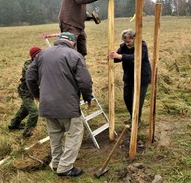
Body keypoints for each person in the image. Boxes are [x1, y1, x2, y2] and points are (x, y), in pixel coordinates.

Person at [26, 32, 92, 178]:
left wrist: (37, 94)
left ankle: (56, 163)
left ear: (58, 40)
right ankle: (65, 167)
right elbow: (85, 81)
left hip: (47, 105)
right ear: (72, 43)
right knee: (74, 134)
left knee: (55, 136)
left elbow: (29, 77)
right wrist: (88, 97)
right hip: (67, 106)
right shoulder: (75, 56)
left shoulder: (41, 55)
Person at [107, 29, 151, 125]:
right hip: (129, 77)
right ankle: (132, 117)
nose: (127, 44)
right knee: (127, 98)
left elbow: (136, 58)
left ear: (134, 38)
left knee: (137, 100)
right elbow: (117, 58)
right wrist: (111, 57)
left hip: (141, 77)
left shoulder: (142, 45)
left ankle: (137, 121)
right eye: (125, 42)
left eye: (129, 41)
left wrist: (120, 56)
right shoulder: (123, 46)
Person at [8, 46, 42, 138]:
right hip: (25, 91)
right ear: (33, 56)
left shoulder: (41, 63)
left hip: (32, 90)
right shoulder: (28, 64)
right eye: (38, 55)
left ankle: (13, 125)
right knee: (34, 112)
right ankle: (27, 133)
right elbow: (32, 73)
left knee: (25, 109)